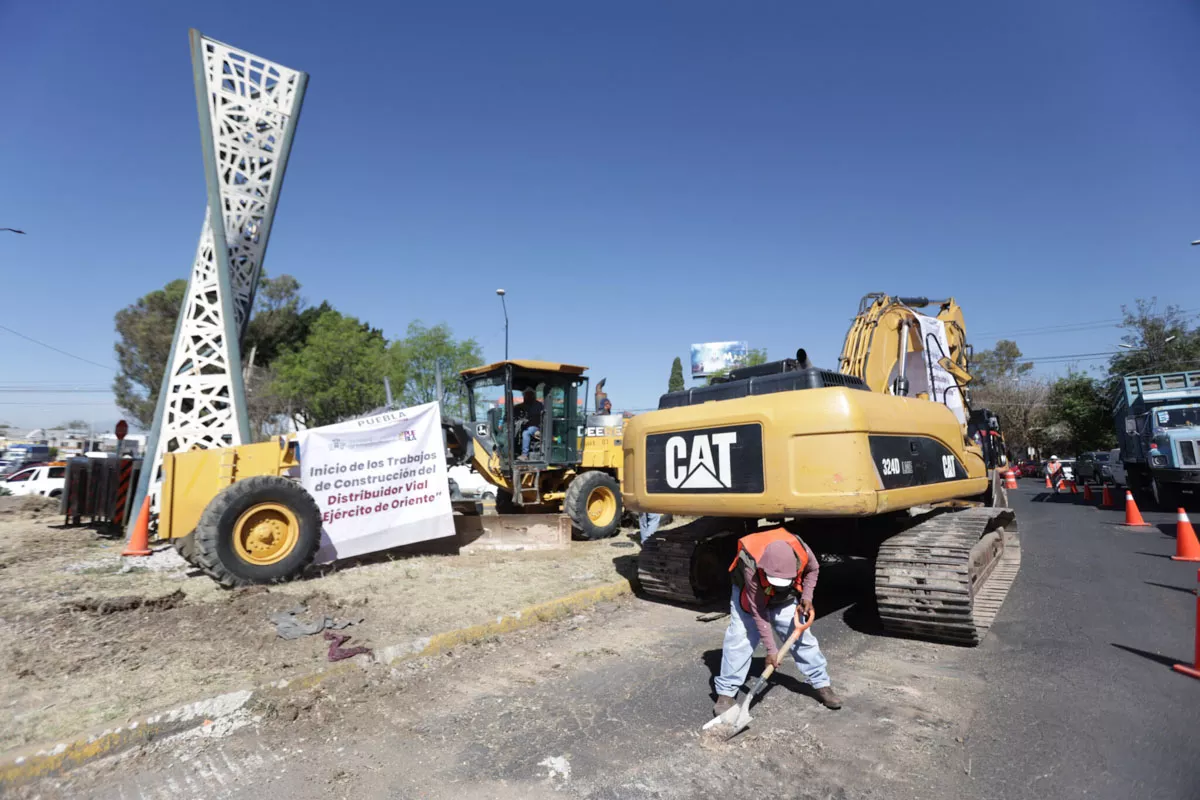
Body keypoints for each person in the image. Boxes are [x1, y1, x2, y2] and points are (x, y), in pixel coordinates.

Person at [713, 528, 841, 714]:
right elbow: (759, 611)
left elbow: (813, 569)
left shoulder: (801, 551)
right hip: (749, 596)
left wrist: (807, 596)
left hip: (785, 598)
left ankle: (822, 683)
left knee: (803, 639)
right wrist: (771, 650)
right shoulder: (751, 563)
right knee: (740, 638)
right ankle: (726, 693)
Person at [515, 388, 544, 460]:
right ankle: (515, 451)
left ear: (532, 396)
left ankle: (525, 455)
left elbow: (538, 418)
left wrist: (529, 420)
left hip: (537, 427)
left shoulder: (538, 405)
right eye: (525, 396)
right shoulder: (523, 405)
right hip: (527, 425)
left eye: (528, 395)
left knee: (526, 433)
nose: (526, 397)